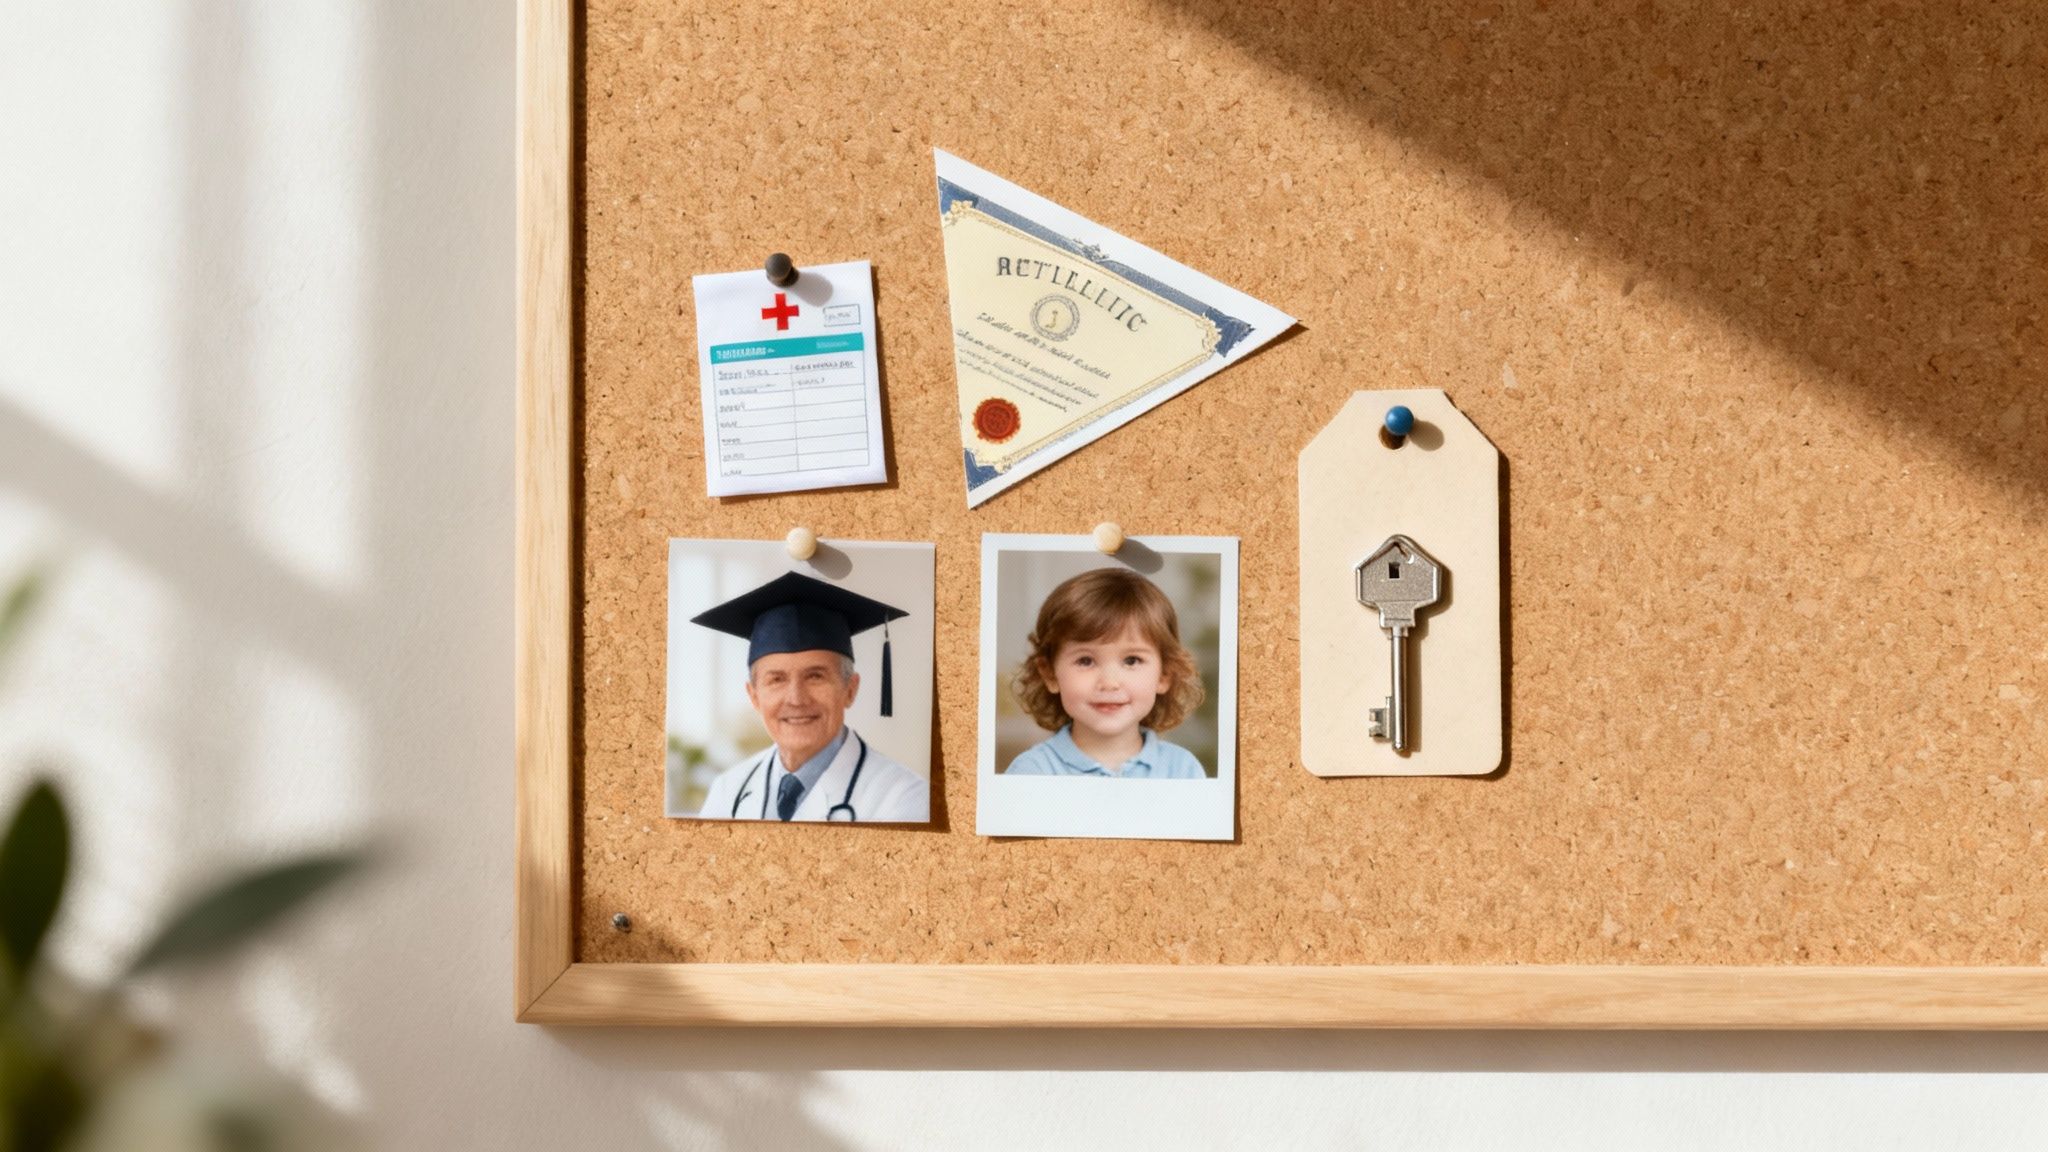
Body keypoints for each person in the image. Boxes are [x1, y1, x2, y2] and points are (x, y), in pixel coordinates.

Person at [691, 571, 929, 822]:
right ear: (754, 697)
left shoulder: (904, 798)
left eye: (815, 676)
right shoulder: (727, 792)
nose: (796, 699)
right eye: (777, 679)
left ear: (850, 689)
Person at [1003, 567, 1207, 779]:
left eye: (1131, 660)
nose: (1109, 683)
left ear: (1164, 674)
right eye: (1085, 661)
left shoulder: (1183, 771)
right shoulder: (1031, 772)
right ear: (1050, 674)